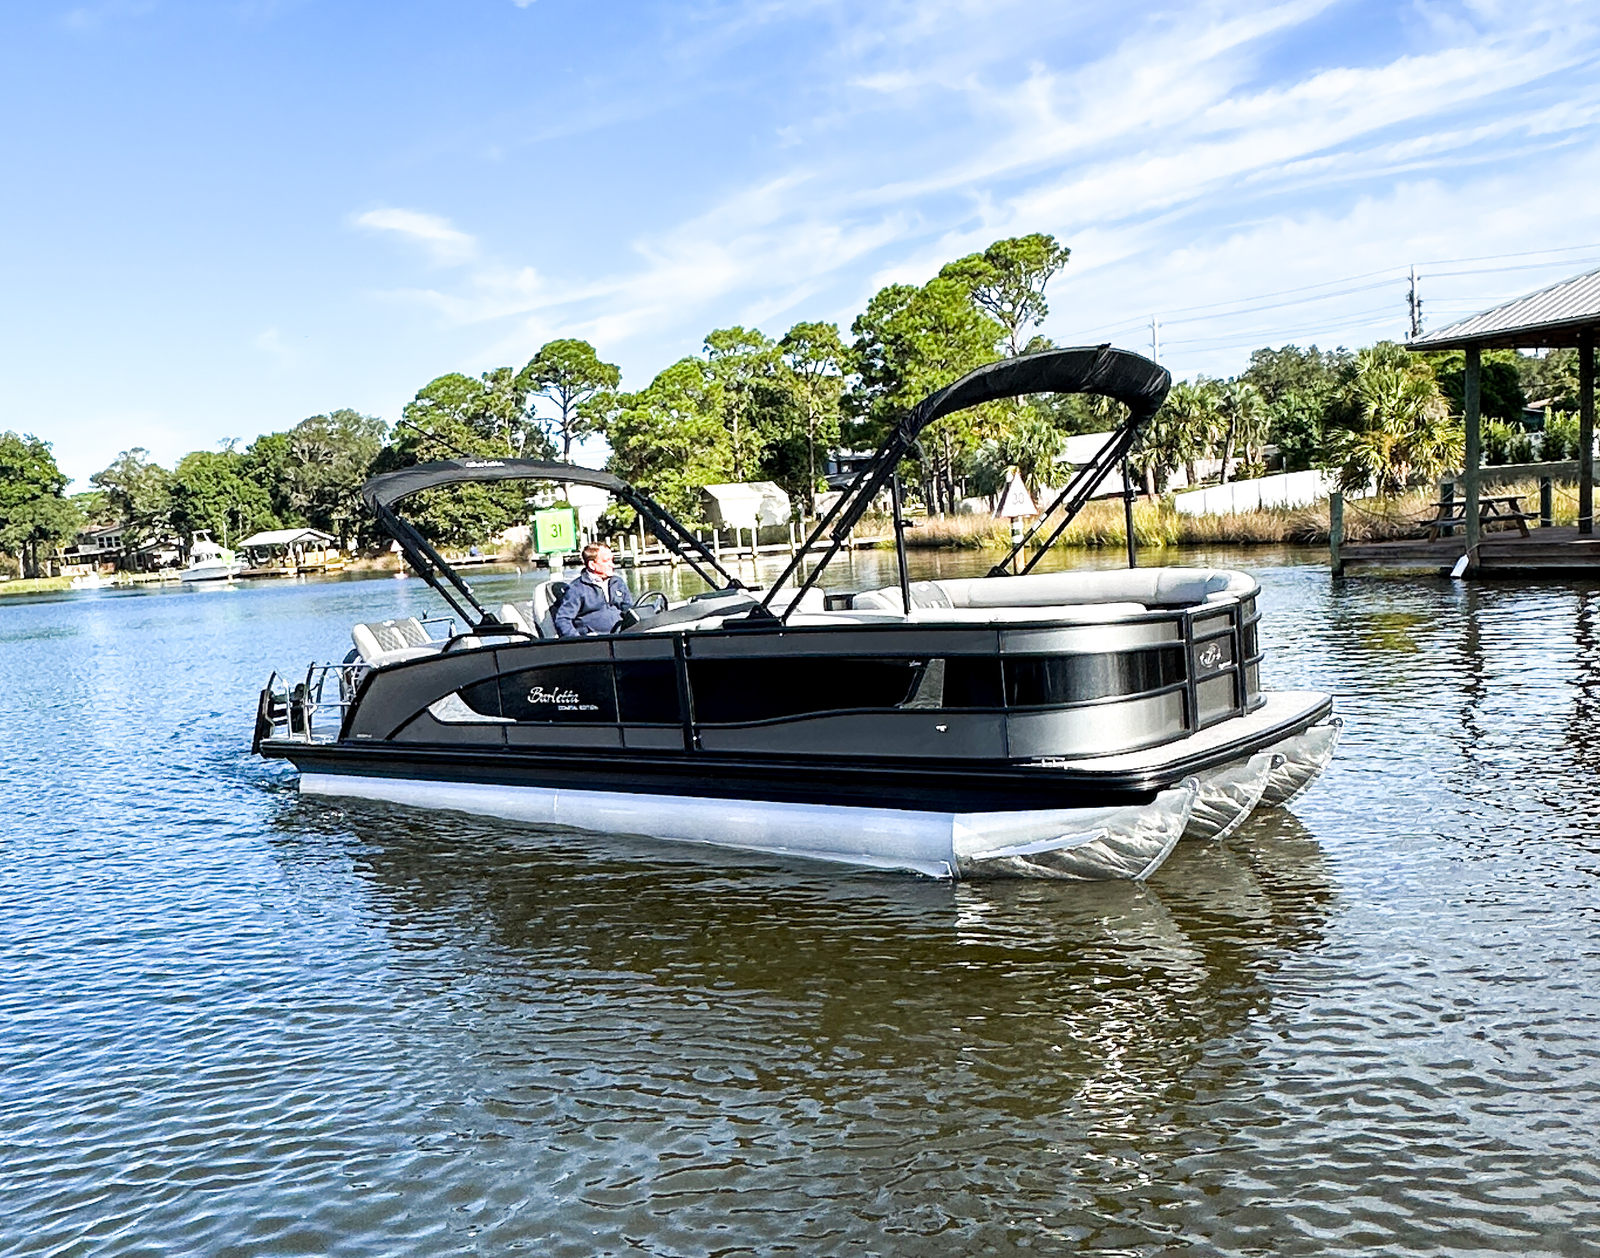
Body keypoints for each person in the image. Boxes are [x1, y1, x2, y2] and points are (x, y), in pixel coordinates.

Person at [553, 543, 635, 637]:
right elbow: (563, 619)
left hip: (622, 635)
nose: (612, 565)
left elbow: (629, 609)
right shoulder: (577, 589)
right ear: (592, 565)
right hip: (595, 640)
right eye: (606, 561)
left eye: (612, 560)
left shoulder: (617, 582)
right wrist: (578, 640)